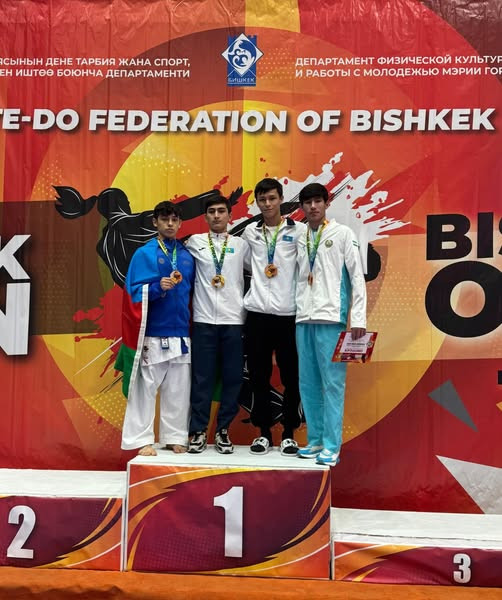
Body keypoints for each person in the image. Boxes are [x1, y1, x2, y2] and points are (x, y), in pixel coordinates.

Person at [295, 183, 367, 466]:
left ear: (327, 203)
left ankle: (331, 445)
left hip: (331, 318)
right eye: (307, 202)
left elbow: (357, 276)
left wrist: (358, 318)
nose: (313, 207)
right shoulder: (299, 236)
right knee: (308, 384)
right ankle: (315, 440)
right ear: (301, 207)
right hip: (303, 318)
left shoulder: (343, 234)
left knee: (333, 384)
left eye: (317, 201)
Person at [116, 201, 195, 457]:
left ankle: (175, 437)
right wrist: (156, 288)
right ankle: (141, 440)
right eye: (164, 219)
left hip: (181, 333)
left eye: (174, 220)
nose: (170, 224)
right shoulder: (144, 254)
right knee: (145, 390)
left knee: (178, 389)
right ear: (155, 222)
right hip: (152, 333)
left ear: (180, 223)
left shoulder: (187, 256)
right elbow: (131, 294)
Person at [241, 178, 307, 455]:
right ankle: (263, 433)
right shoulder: (250, 232)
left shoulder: (299, 230)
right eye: (262, 200)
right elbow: (246, 264)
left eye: (272, 198)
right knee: (258, 376)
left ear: (281, 199)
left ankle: (289, 432)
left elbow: (305, 267)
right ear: (257, 202)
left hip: (288, 315)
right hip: (257, 315)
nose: (267, 204)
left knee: (292, 375)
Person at [185, 194, 250, 454]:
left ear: (230, 215)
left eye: (221, 211)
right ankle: (198, 431)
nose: (216, 215)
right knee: (202, 379)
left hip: (233, 321)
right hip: (203, 321)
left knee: (233, 379)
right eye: (211, 211)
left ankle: (223, 430)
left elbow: (261, 269)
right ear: (205, 217)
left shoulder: (241, 245)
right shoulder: (194, 242)